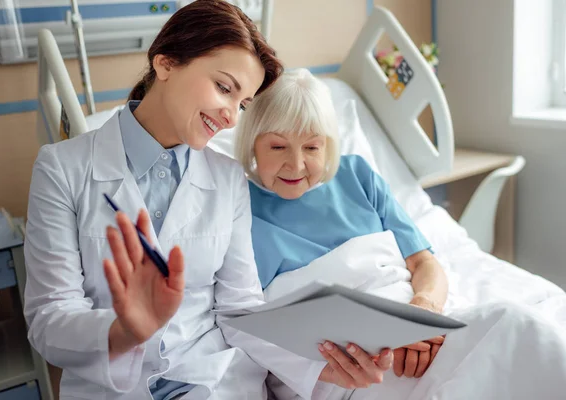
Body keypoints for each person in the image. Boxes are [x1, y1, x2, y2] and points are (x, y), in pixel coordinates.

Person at [23, 1, 301, 399]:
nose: (232, 118)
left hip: (215, 381)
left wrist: (322, 363)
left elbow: (240, 307)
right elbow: (48, 319)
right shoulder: (62, 169)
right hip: (113, 386)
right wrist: (125, 331)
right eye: (224, 88)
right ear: (166, 64)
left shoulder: (227, 178)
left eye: (243, 104)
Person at [234, 68, 566, 399]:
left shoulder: (357, 177)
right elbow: (247, 320)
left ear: (328, 145)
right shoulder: (236, 207)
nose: (296, 164)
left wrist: (421, 315)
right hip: (350, 368)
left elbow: (424, 263)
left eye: (311, 147)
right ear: (253, 144)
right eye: (278, 147)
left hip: (420, 332)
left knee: (514, 324)